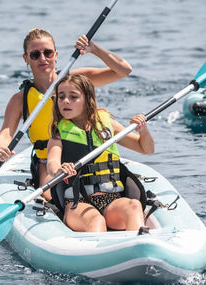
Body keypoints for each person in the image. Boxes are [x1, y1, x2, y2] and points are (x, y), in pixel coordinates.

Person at [0, 29, 132, 198]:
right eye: (35, 54)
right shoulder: (19, 100)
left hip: (88, 154)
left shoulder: (77, 81)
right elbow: (5, 133)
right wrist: (1, 149)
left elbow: (124, 70)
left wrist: (94, 49)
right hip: (50, 162)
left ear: (56, 54)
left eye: (48, 52)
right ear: (26, 59)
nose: (43, 58)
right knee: (53, 195)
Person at [46, 73, 155, 233]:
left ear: (87, 99)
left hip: (112, 200)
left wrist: (143, 131)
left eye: (73, 96)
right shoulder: (58, 134)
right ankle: (100, 254)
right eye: (61, 97)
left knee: (134, 205)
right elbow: (52, 163)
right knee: (95, 219)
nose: (65, 101)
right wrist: (59, 169)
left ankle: (140, 246)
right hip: (77, 202)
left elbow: (146, 149)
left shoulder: (107, 124)